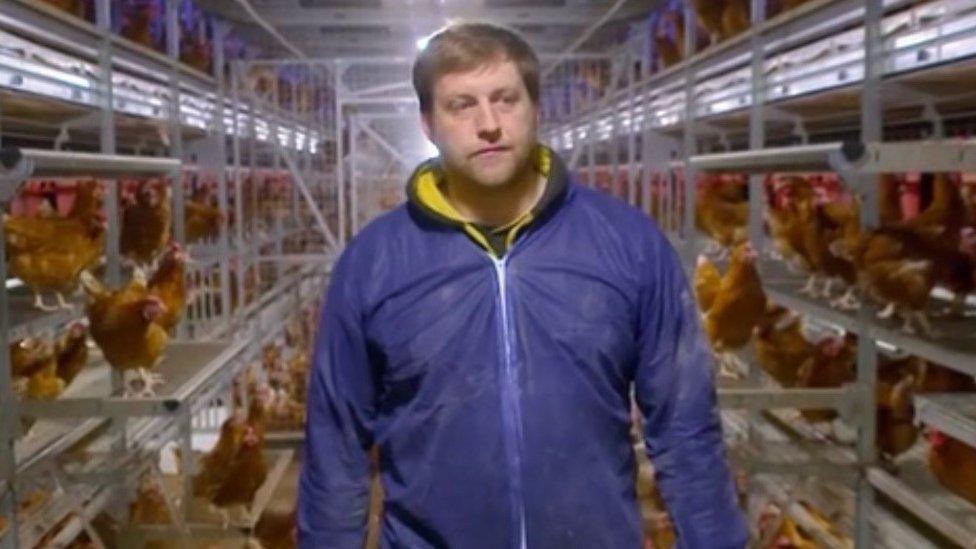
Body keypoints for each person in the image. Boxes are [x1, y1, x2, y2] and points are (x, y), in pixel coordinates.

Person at [298, 21, 748, 548]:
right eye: (462, 105)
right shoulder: (374, 263)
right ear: (428, 122)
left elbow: (685, 426)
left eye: (505, 99)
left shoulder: (628, 244)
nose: (488, 124)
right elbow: (335, 445)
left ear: (536, 108)